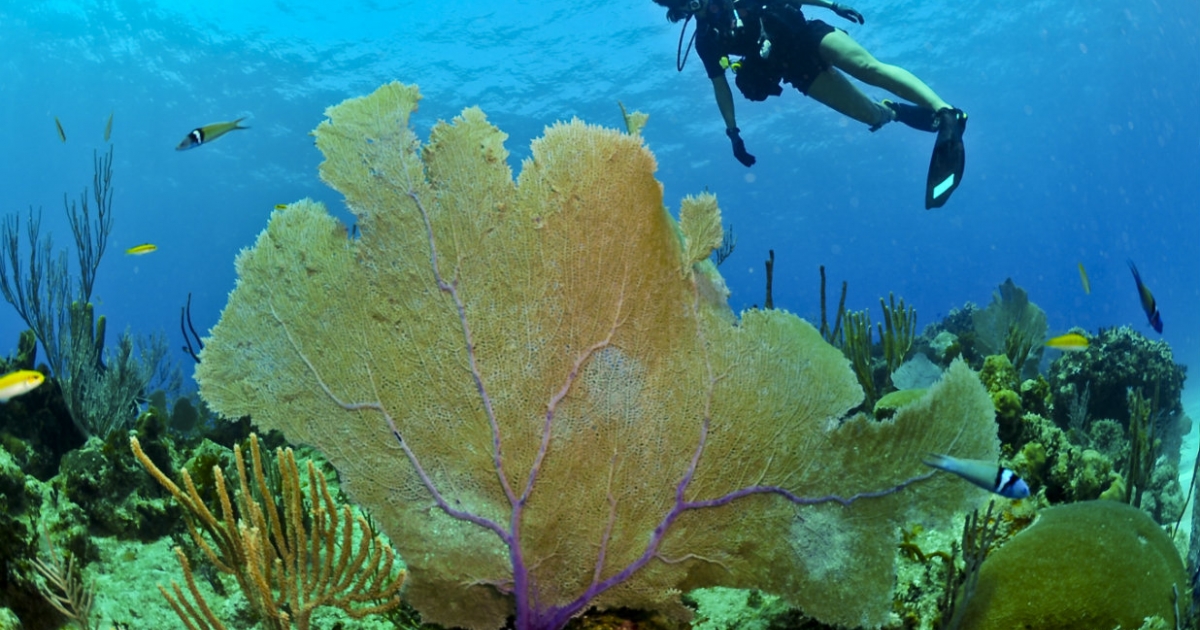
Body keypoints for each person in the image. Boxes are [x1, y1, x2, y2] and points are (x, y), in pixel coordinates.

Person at [654, 0, 968, 208]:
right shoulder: (707, 39)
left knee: (869, 68)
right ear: (678, 9)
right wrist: (733, 133)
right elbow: (720, 85)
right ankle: (894, 110)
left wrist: (834, 5)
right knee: (870, 115)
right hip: (795, 71)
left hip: (808, 35)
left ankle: (946, 112)